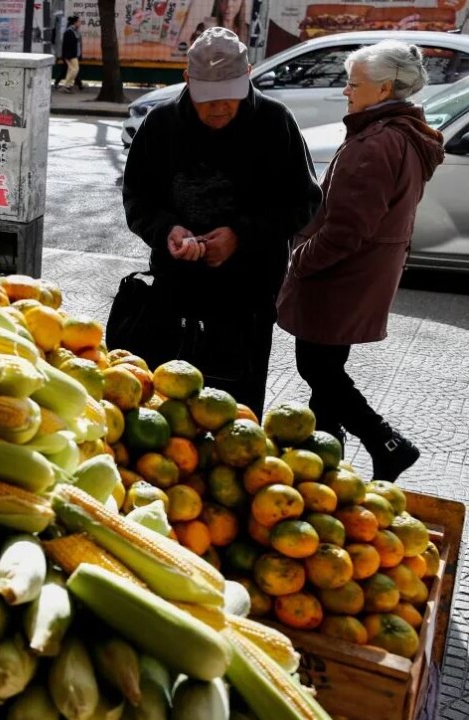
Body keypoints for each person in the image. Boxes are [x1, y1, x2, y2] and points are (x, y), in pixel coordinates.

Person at [121, 26, 321, 414]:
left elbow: (304, 202)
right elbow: (137, 200)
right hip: (174, 291)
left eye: (229, 96)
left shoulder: (275, 123)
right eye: (207, 98)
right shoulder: (160, 125)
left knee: (235, 410)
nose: (218, 108)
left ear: (248, 76)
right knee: (168, 408)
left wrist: (241, 236)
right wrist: (167, 232)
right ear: (187, 81)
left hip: (247, 297)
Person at [276, 41, 444, 481]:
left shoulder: (375, 144)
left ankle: (387, 443)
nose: (346, 91)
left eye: (354, 84)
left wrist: (300, 260)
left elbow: (346, 230)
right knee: (326, 370)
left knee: (318, 368)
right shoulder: (400, 133)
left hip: (339, 279)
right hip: (361, 277)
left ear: (384, 88)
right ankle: (324, 463)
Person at [59, 15, 82, 93]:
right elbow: (67, 45)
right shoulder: (69, 32)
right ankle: (66, 85)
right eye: (78, 22)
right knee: (75, 69)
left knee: (71, 70)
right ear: (75, 22)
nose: (80, 23)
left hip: (74, 54)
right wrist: (67, 55)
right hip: (71, 55)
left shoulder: (75, 31)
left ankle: (67, 85)